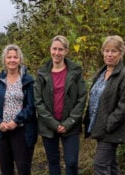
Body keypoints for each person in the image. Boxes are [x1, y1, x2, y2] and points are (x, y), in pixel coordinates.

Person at [84, 35, 125, 175]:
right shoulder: (101, 73)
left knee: (100, 165)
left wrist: (108, 124)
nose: (109, 54)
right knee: (111, 166)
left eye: (113, 51)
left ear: (121, 53)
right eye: (106, 51)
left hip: (111, 130)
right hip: (100, 127)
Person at [34, 35, 87, 175]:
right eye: (54, 49)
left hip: (71, 125)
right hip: (48, 126)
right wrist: (53, 124)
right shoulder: (42, 73)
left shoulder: (75, 72)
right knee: (53, 162)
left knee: (71, 162)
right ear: (50, 49)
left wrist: (68, 123)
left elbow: (81, 98)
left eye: (60, 49)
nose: (57, 53)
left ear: (66, 51)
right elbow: (38, 101)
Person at [0, 44, 37, 175]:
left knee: (23, 169)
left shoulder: (27, 81)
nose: (12, 60)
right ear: (5, 60)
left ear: (20, 60)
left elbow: (31, 106)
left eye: (15, 57)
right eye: (9, 57)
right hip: (2, 131)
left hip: (21, 130)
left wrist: (15, 121)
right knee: (6, 169)